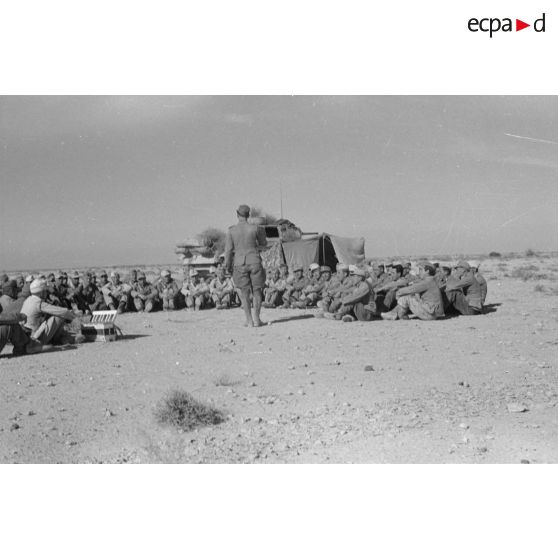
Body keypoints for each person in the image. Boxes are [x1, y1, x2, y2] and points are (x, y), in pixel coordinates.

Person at [224, 204, 268, 327]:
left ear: (237, 214)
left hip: (239, 263)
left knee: (244, 292)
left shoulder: (231, 230)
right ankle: (257, 319)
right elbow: (264, 244)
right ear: (248, 215)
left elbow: (228, 251)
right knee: (257, 290)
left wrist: (227, 266)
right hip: (254, 260)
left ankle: (249, 321)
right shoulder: (256, 228)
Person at [20, 279, 80, 345]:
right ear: (41, 292)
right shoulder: (39, 303)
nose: (47, 293)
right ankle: (56, 340)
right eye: (45, 291)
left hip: (26, 335)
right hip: (35, 338)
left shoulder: (28, 300)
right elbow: (59, 311)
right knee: (59, 316)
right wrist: (73, 316)